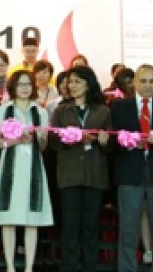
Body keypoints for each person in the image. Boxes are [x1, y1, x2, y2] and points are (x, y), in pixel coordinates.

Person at [111, 64, 153, 272]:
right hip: (130, 174)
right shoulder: (118, 107)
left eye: (152, 81)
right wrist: (129, 142)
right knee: (128, 230)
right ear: (134, 82)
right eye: (143, 81)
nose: (148, 85)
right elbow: (112, 142)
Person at [49, 66, 111, 272]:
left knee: (91, 227)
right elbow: (53, 144)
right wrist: (70, 138)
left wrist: (104, 141)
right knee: (70, 227)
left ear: (88, 84)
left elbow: (112, 147)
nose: (72, 86)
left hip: (95, 175)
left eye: (77, 81)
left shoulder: (103, 111)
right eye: (70, 82)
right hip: (69, 175)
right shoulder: (60, 111)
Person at [0, 70, 54, 272]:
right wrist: (16, 140)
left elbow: (44, 147)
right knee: (8, 218)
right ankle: (10, 266)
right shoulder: (4, 110)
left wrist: (41, 138)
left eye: (28, 84)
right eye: (20, 84)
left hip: (33, 168)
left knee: (31, 219)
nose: (25, 88)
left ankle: (28, 267)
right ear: (13, 87)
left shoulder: (41, 112)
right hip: (11, 166)